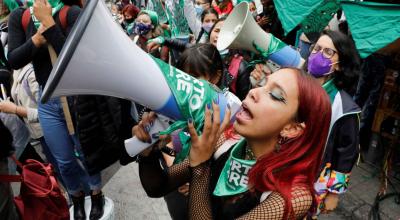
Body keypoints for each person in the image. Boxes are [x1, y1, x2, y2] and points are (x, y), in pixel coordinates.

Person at [138, 67, 332, 219]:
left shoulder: (294, 196)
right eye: (262, 84)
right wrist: (148, 149)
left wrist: (200, 168)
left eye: (275, 95)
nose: (254, 92)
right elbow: (157, 187)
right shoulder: (227, 141)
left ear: (291, 128)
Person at [7, 0, 105, 219]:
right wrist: (35, 40)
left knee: (87, 151)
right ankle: (77, 197)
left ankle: (97, 193)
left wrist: (49, 25)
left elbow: (79, 57)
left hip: (76, 97)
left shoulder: (70, 12)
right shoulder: (20, 17)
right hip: (47, 99)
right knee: (64, 160)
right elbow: (13, 58)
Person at [307, 30, 361, 216]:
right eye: (317, 48)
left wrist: (334, 193)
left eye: (328, 52)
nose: (319, 55)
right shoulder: (294, 84)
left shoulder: (344, 106)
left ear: (339, 64)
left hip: (313, 177)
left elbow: (347, 151)